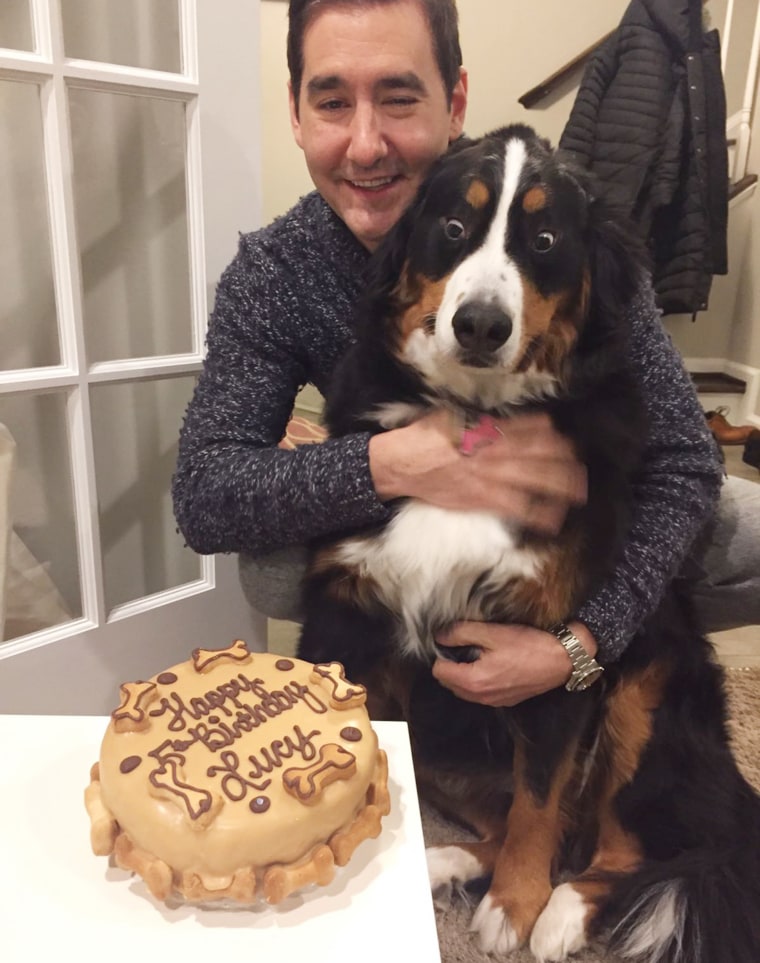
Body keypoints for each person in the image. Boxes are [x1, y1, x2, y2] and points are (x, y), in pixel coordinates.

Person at [172, 0, 760, 708]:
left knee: (741, 533)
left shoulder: (568, 233)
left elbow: (687, 462)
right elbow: (205, 492)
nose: (365, 145)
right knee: (271, 565)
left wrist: (580, 641)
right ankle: (421, 695)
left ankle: (610, 692)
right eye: (331, 101)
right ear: (296, 114)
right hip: (401, 514)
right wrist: (395, 461)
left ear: (453, 104)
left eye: (398, 98)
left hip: (570, 512)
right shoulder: (276, 271)